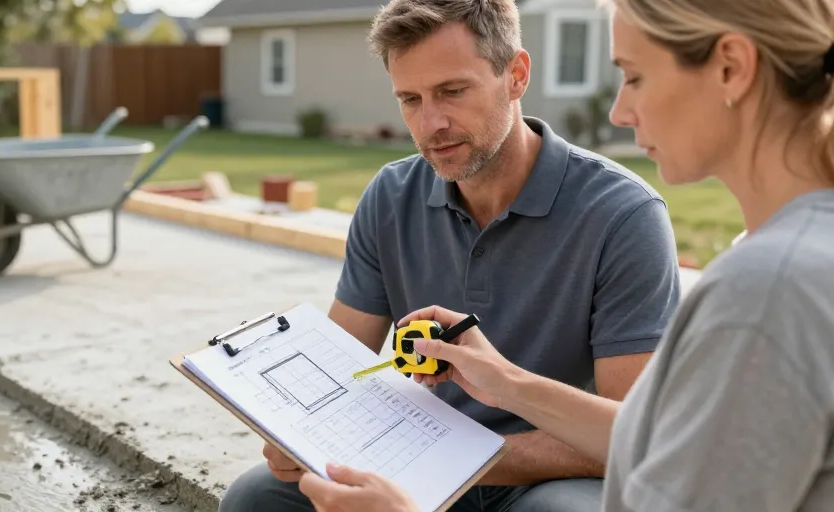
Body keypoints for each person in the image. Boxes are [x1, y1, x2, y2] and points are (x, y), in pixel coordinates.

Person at [294, 0, 834, 510]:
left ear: (731, 68)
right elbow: (651, 437)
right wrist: (505, 382)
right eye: (410, 99)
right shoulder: (784, 256)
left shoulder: (769, 284)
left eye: (635, 75)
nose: (620, 111)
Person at [217, 0, 684, 511]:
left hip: (551, 477)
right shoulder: (391, 196)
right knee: (256, 498)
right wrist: (300, 437)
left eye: (452, 91)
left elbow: (631, 436)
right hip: (415, 462)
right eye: (410, 99)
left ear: (516, 75)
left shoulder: (623, 213)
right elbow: (337, 370)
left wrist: (451, 461)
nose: (430, 122)